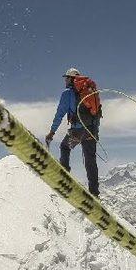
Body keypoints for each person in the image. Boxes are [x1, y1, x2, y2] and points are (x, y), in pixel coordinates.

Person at [45, 67, 101, 196]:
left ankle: (64, 176)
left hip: (78, 130)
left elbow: (60, 114)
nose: (65, 81)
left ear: (71, 79)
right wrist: (94, 131)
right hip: (92, 130)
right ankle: (94, 193)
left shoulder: (67, 93)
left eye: (66, 78)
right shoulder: (90, 91)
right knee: (90, 160)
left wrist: (52, 132)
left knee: (64, 147)